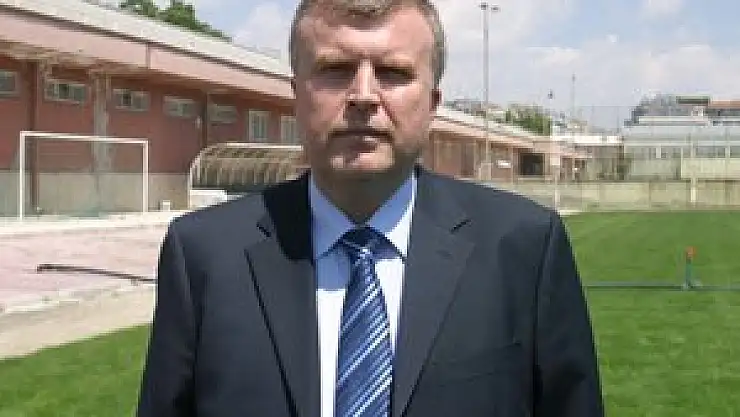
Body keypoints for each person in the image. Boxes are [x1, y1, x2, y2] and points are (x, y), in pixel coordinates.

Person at [136, 0, 604, 416]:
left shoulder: (524, 248)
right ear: (297, 95)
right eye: (336, 69)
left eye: (393, 73)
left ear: (433, 103)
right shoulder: (203, 255)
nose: (363, 95)